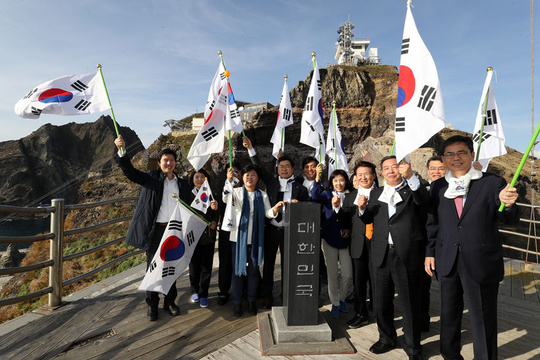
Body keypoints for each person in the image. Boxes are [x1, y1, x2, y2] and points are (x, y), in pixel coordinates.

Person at [425, 135, 519, 360]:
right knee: (448, 316)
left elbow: (510, 219)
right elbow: (433, 223)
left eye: (461, 153)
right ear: (444, 159)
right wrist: (430, 253)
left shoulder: (491, 183)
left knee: (483, 318)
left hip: (481, 260)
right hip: (447, 259)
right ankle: (450, 356)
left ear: (471, 156)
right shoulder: (438, 187)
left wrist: (508, 203)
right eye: (450, 154)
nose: (456, 158)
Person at [359, 156, 429, 360]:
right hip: (380, 253)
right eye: (386, 168)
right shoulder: (377, 193)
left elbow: (425, 203)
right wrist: (362, 209)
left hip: (406, 253)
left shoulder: (414, 189)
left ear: (403, 169)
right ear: (381, 173)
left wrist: (411, 177)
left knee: (409, 302)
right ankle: (387, 338)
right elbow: (368, 218)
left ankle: (413, 346)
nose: (391, 171)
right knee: (381, 301)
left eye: (395, 167)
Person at [114, 135, 190, 321]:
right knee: (153, 267)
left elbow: (191, 206)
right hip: (155, 231)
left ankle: (170, 302)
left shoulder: (182, 184)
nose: (169, 163)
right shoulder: (151, 178)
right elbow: (130, 172)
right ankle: (152, 304)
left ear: (175, 163)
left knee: (171, 267)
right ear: (160, 162)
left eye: (172, 160)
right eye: (165, 160)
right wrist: (121, 151)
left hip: (174, 231)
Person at [242, 136, 309, 309]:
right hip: (272, 230)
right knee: (269, 264)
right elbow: (257, 167)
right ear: (277, 168)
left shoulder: (300, 188)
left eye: (287, 166)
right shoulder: (271, 182)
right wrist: (250, 148)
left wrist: (298, 205)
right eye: (281, 166)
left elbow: (308, 208)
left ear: (293, 169)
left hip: (289, 231)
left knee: (288, 265)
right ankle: (267, 295)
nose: (284, 169)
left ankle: (285, 295)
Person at [222, 164, 284, 317]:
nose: (250, 177)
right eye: (247, 174)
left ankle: (251, 300)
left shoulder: (262, 195)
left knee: (253, 271)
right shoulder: (235, 192)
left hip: (256, 239)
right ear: (242, 177)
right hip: (237, 238)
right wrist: (229, 180)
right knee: (237, 271)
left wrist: (275, 209)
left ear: (258, 178)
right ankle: (237, 302)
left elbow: (268, 213)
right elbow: (225, 197)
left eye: (253, 175)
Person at [311, 167, 353, 319]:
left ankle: (342, 298)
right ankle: (335, 302)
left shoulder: (350, 196)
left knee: (347, 274)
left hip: (345, 240)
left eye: (341, 180)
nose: (339, 183)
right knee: (332, 274)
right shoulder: (327, 194)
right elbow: (314, 197)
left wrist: (348, 228)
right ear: (331, 182)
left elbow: (351, 218)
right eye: (335, 180)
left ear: (346, 182)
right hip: (329, 239)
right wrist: (317, 177)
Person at [340, 160, 377, 328]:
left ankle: (379, 311)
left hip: (379, 245)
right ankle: (361, 312)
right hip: (358, 245)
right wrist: (336, 209)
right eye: (359, 174)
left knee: (378, 282)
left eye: (366, 173)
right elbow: (344, 220)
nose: (363, 177)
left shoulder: (382, 193)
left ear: (374, 175)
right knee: (359, 282)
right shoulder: (350, 197)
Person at [188, 169, 219, 308]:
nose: (200, 179)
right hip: (193, 236)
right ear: (192, 179)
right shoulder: (188, 195)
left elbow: (216, 213)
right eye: (197, 177)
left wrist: (214, 221)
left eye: (202, 177)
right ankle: (194, 290)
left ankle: (204, 293)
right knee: (194, 265)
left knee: (206, 266)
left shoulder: (212, 194)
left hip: (208, 236)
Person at [216, 161, 242, 306]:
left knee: (241, 260)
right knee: (225, 261)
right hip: (227, 230)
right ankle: (223, 291)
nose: (234, 175)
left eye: (236, 172)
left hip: (242, 230)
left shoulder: (246, 189)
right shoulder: (224, 190)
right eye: (231, 173)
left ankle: (242, 289)